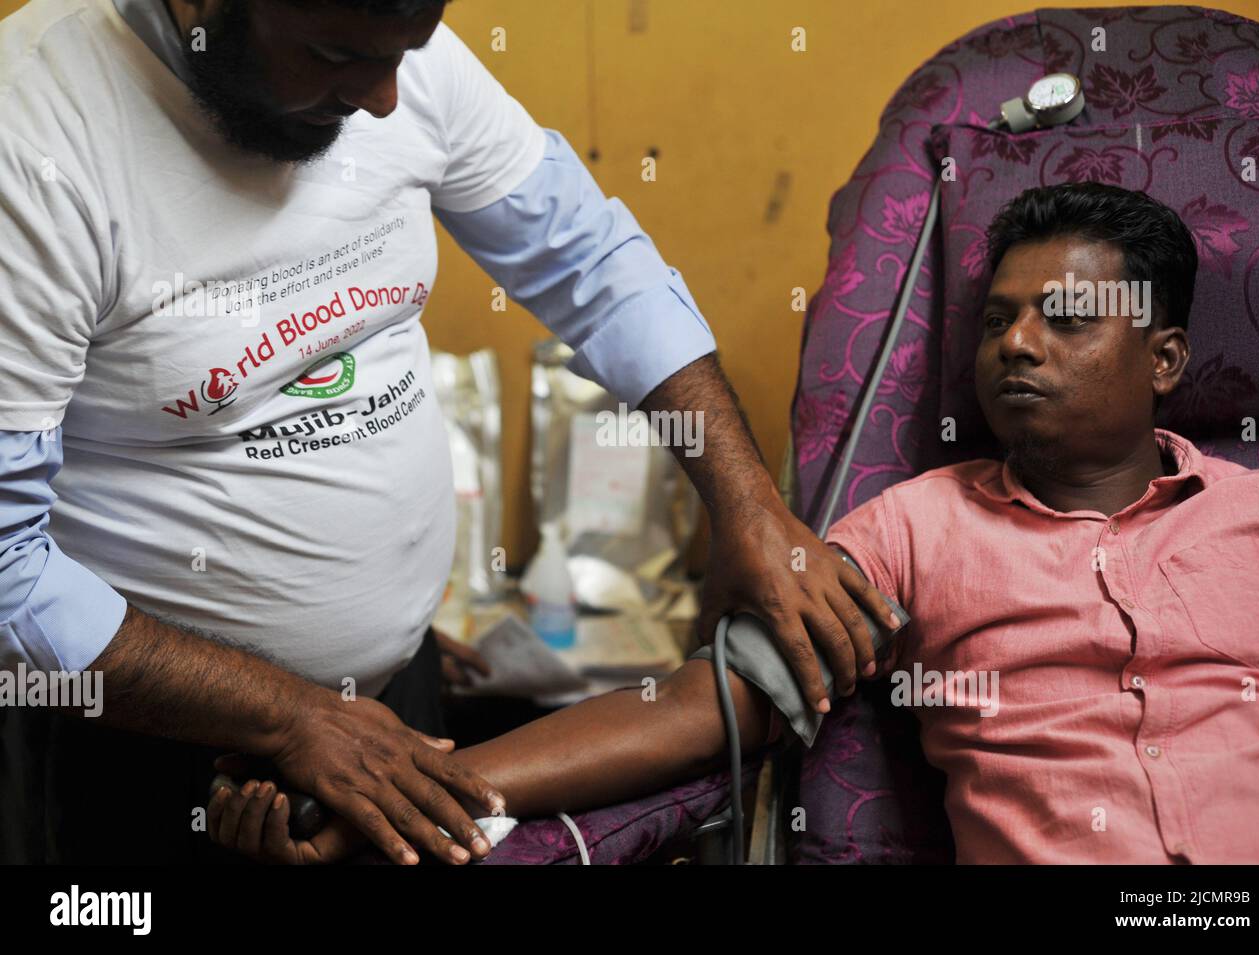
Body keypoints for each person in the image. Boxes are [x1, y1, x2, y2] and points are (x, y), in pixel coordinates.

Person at [0, 0, 899, 865]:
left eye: (406, 50)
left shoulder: (394, 64)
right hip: (140, 742)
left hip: (391, 705)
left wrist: (745, 503)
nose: (386, 96)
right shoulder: (37, 137)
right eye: (340, 57)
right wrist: (285, 714)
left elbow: (591, 262)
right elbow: (8, 572)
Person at [211, 182, 1259, 864]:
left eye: (1063, 320)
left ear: (1164, 361)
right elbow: (712, 706)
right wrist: (417, 791)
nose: (1015, 345)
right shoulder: (915, 530)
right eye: (999, 320)